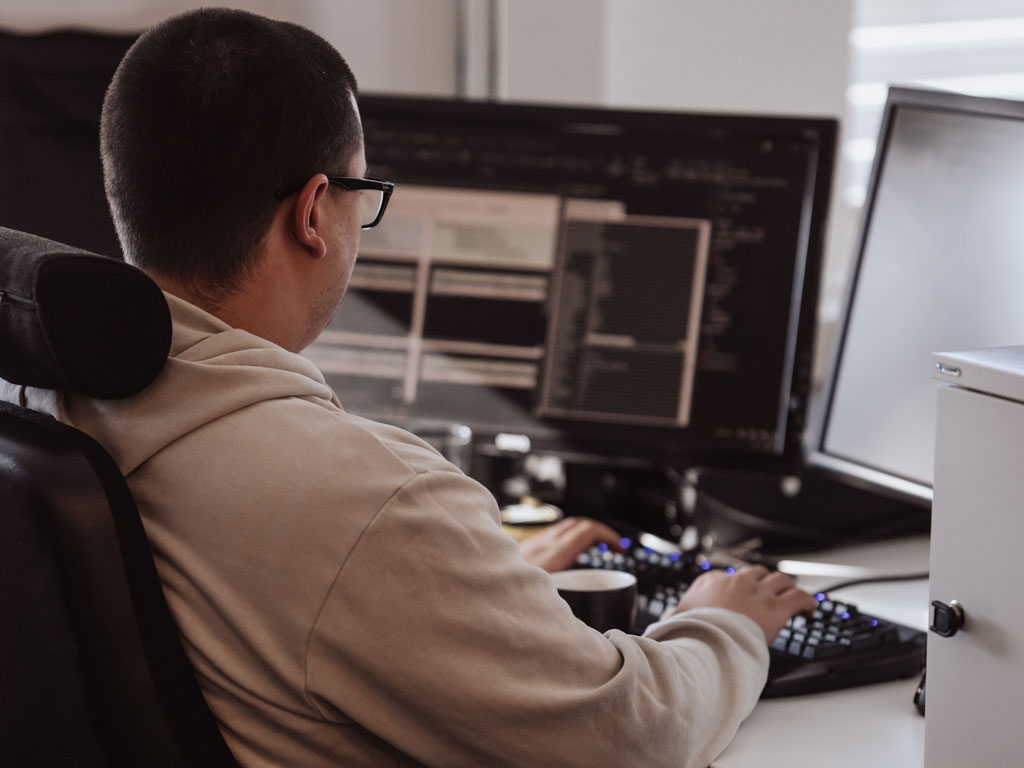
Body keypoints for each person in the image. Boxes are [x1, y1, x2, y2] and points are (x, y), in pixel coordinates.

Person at [5, 8, 816, 768]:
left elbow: (305, 586)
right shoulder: (365, 500)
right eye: (367, 192)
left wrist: (472, 579)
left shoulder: (64, 403)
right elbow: (635, 735)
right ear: (315, 212)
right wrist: (725, 622)